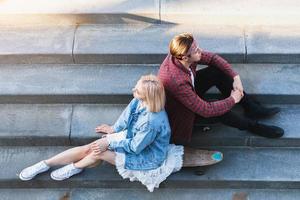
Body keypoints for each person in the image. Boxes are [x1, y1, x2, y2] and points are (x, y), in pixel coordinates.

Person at [19, 75, 184, 192]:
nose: (133, 90)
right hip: (131, 138)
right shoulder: (139, 100)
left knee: (99, 152)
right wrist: (113, 129)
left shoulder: (151, 122)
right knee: (90, 147)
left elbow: (135, 147)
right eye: (136, 87)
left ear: (147, 96)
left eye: (137, 90)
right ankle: (45, 163)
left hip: (147, 156)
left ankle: (75, 167)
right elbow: (126, 116)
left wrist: (109, 142)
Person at [158, 33, 284, 144]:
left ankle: (251, 107)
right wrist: (232, 99)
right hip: (181, 114)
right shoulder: (176, 81)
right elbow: (205, 110)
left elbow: (213, 58)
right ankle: (253, 126)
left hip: (188, 90)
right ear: (185, 57)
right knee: (218, 109)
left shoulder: (179, 52)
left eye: (197, 46)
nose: (200, 50)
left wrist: (236, 77)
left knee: (217, 72)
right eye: (196, 50)